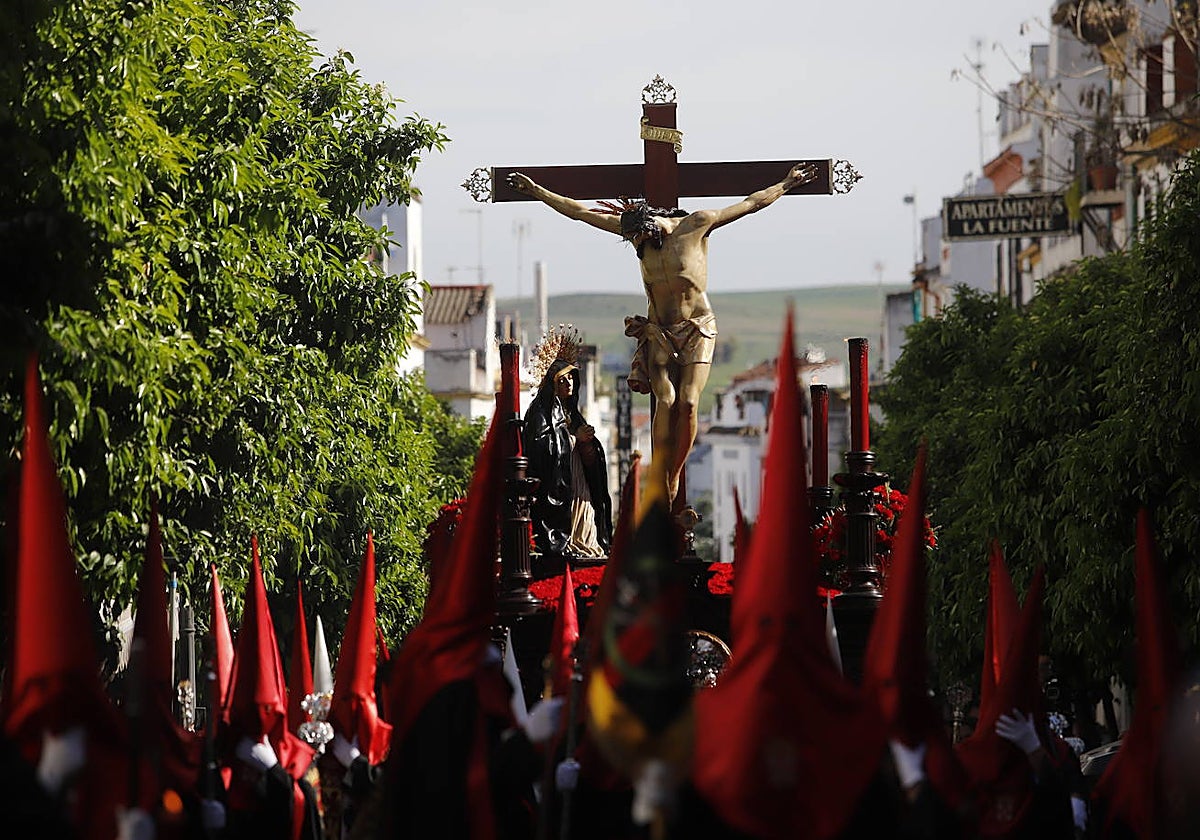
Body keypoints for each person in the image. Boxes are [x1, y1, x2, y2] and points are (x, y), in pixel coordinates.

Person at [508, 162, 816, 502]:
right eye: (633, 241)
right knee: (665, 400)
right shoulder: (634, 233)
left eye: (641, 238)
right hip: (659, 331)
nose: (638, 245)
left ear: (654, 223)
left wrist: (786, 183)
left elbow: (750, 203)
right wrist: (537, 191)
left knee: (687, 403)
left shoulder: (696, 225)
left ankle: (674, 475)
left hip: (698, 327)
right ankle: (660, 474)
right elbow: (579, 212)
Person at [523, 327, 612, 557]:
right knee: (569, 523)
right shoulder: (540, 411)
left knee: (587, 519)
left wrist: (589, 447)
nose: (569, 383)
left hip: (578, 479)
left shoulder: (572, 411)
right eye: (562, 380)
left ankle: (586, 547)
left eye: (571, 377)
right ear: (552, 384)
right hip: (558, 484)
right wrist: (573, 440)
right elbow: (539, 446)